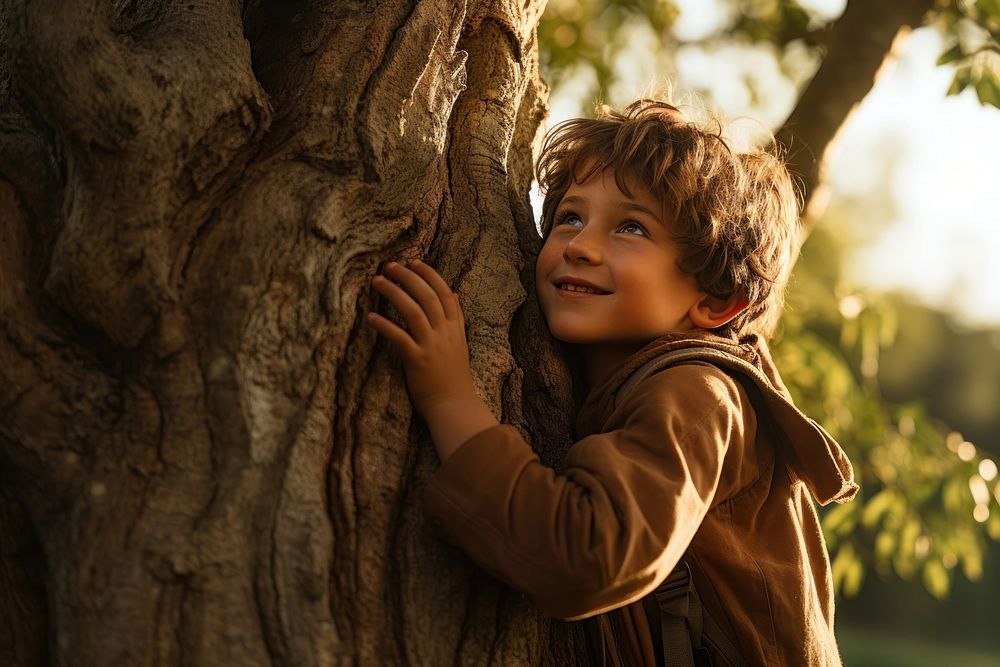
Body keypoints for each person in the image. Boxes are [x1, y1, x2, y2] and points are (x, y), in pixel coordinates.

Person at [366, 99, 858, 666]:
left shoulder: (699, 394)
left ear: (716, 300)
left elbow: (587, 558)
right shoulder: (637, 374)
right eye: (569, 217)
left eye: (630, 228)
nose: (579, 244)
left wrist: (449, 399)